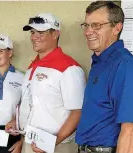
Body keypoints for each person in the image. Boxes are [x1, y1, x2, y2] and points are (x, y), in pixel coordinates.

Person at [6, 13, 86, 153]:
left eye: (41, 32)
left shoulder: (69, 68)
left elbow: (77, 112)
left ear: (55, 34)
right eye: (32, 32)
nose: (34, 37)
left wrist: (54, 141)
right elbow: (32, 103)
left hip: (57, 146)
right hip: (30, 142)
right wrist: (17, 123)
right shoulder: (33, 66)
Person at [76, 1, 133, 153]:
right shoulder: (99, 61)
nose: (88, 32)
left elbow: (131, 130)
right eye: (86, 25)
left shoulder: (126, 66)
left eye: (96, 25)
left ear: (116, 28)